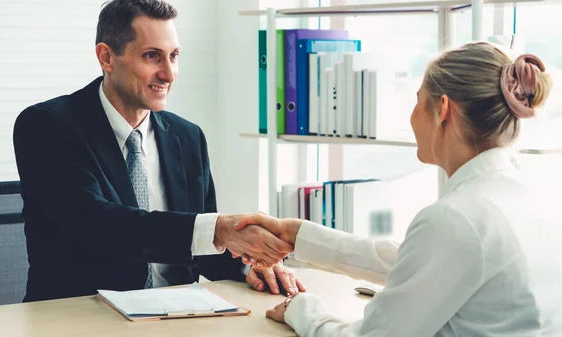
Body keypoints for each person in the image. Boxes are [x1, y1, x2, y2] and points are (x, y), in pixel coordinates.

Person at [237, 42, 562, 336]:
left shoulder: (456, 218)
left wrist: (302, 307)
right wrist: (299, 236)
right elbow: (423, 264)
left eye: (418, 101)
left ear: (443, 109)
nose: (411, 116)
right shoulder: (531, 197)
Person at [13, 0, 304, 302]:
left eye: (174, 56)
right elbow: (94, 225)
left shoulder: (187, 137)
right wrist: (218, 229)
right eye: (152, 56)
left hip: (176, 313)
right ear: (106, 57)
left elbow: (199, 246)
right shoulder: (47, 126)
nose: (169, 74)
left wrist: (249, 265)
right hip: (79, 316)